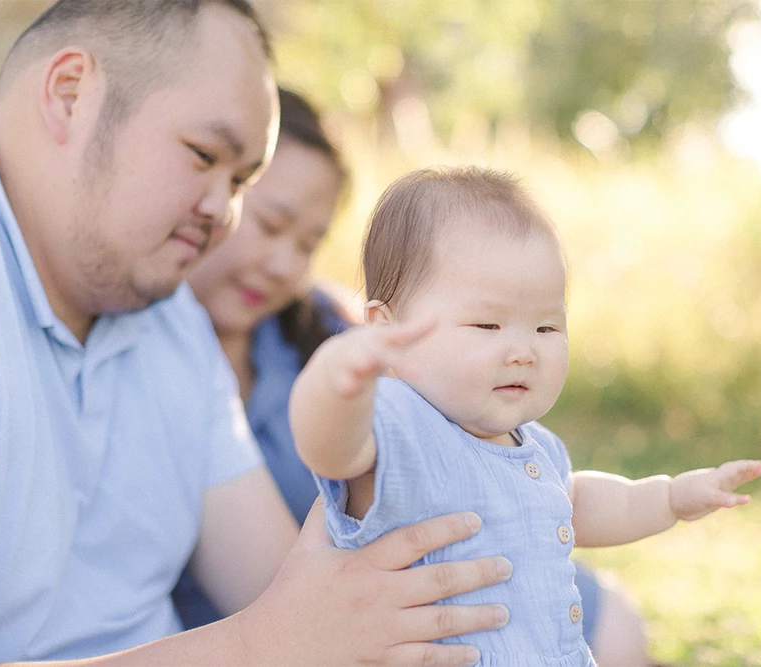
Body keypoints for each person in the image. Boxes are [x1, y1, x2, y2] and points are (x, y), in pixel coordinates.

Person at [0, 2, 512, 665]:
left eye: (242, 180)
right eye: (203, 155)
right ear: (70, 94)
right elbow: (277, 628)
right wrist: (260, 643)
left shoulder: (165, 311)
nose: (223, 212)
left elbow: (275, 583)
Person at [174, 88, 657, 666]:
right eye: (270, 225)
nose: (284, 265)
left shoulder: (320, 325)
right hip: (338, 627)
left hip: (491, 600)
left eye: (308, 244)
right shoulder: (190, 356)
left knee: (609, 620)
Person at [289, 166, 761, 666]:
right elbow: (330, 448)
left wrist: (669, 497)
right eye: (487, 325)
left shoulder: (534, 447)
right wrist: (333, 383)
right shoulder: (399, 425)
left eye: (546, 328)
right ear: (387, 331)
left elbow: (578, 503)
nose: (523, 351)